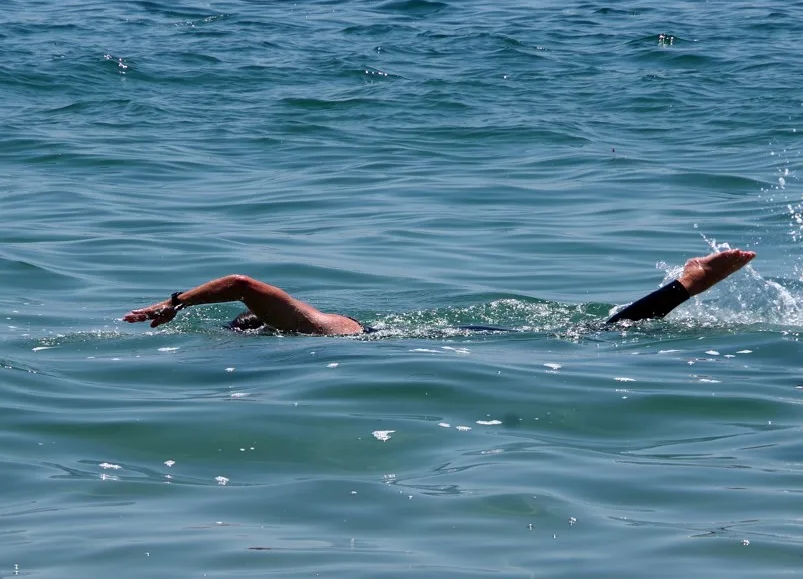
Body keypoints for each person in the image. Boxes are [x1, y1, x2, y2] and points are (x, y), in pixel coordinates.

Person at [122, 248, 756, 335]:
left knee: (598, 336)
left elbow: (241, 282)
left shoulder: (309, 328)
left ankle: (687, 283)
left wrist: (174, 301)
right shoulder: (313, 332)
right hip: (429, 338)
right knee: (599, 334)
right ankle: (682, 287)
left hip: (446, 339)